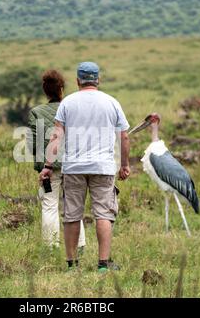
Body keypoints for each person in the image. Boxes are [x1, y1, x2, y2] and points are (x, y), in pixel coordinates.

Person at [40, 62, 131, 272]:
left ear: (78, 80)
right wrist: (124, 165)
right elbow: (124, 136)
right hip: (103, 167)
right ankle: (103, 264)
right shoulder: (112, 102)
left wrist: (47, 165)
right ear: (98, 80)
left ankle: (72, 265)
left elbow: (56, 135)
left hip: (73, 167)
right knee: (103, 214)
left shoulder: (68, 103)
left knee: (72, 215)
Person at [27, 69, 86, 250]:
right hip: (74, 165)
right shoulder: (72, 108)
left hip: (49, 167)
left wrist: (42, 166)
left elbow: (33, 145)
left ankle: (51, 247)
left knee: (49, 206)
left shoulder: (36, 112)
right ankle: (80, 246)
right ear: (61, 88)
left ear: (45, 90)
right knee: (73, 206)